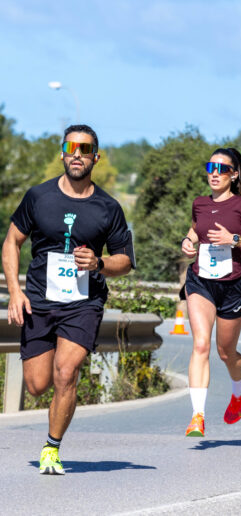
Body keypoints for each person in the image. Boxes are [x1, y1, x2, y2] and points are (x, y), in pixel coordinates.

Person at [2, 124, 135, 474]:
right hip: (40, 300)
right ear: (62, 153)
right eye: (70, 147)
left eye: (85, 149)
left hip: (83, 303)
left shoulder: (108, 208)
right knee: (37, 385)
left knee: (66, 372)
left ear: (96, 157)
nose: (77, 154)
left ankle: (52, 448)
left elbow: (125, 261)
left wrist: (99, 263)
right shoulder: (38, 197)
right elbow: (11, 242)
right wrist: (15, 291)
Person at [180, 147, 241, 437]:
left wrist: (234, 239)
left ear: (234, 175)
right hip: (200, 282)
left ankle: (239, 390)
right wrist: (188, 241)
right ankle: (197, 416)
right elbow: (196, 229)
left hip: (232, 286)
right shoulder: (199, 203)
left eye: (222, 169)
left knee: (226, 352)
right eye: (211, 167)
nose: (215, 174)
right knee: (200, 345)